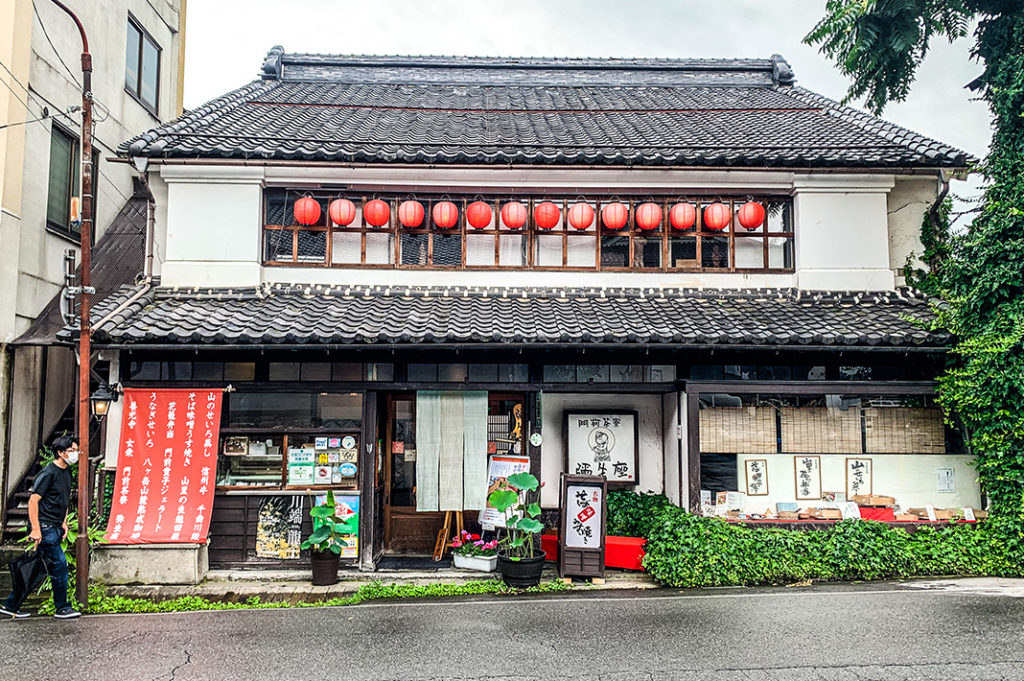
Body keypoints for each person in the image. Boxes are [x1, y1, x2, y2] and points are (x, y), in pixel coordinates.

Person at [1, 435, 81, 620]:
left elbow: (62, 498)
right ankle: (62, 608)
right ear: (60, 453)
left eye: (76, 450)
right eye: (71, 450)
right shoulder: (48, 473)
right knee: (59, 565)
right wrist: (36, 529)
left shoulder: (66, 472)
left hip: (55, 525)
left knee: (39, 567)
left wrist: (64, 522)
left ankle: (10, 605)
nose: (75, 454)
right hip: (45, 526)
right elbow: (33, 500)